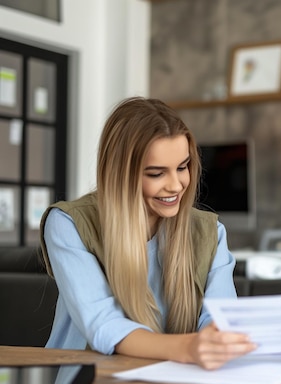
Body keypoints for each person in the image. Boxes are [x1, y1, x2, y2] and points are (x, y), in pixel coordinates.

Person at [40, 96, 256, 369]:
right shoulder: (68, 223)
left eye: (182, 167)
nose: (176, 185)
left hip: (172, 382)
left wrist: (216, 340)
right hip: (82, 381)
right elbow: (104, 325)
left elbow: (219, 318)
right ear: (121, 174)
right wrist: (190, 348)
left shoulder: (209, 231)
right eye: (157, 173)